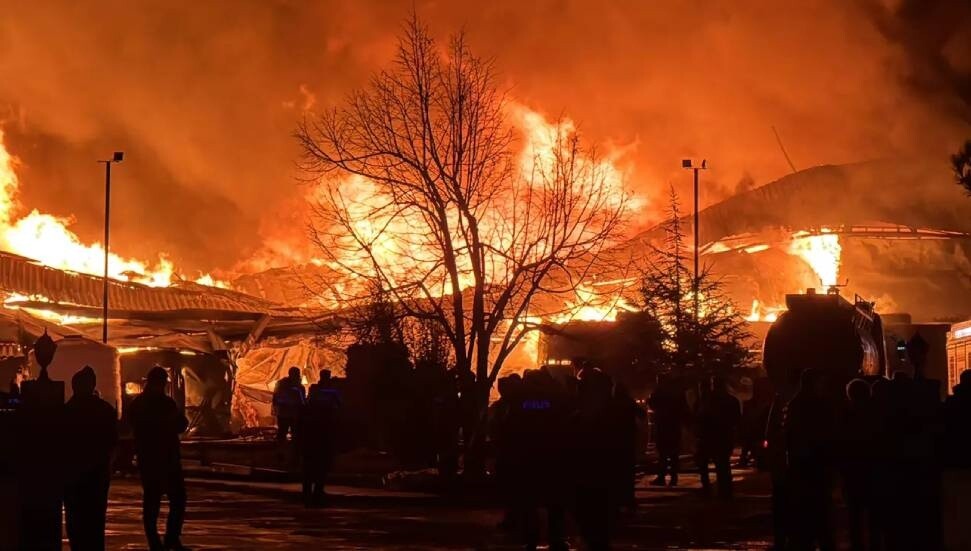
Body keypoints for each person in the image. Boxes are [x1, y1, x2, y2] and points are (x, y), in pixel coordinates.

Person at [124, 366, 189, 551]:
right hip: (159, 457)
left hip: (155, 457)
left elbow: (180, 424)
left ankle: (163, 540)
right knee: (165, 499)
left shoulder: (141, 404)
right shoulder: (160, 404)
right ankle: (165, 540)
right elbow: (180, 424)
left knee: (162, 500)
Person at [63, 366, 118, 551]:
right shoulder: (104, 410)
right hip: (97, 475)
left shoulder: (68, 410)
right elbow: (113, 441)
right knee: (95, 521)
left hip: (74, 475)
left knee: (75, 520)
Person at [785, 368, 836, 551]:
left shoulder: (795, 404)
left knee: (804, 504)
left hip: (801, 461)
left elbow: (789, 434)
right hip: (815, 461)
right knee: (820, 505)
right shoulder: (819, 404)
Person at [839, 378, 873, 551]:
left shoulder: (846, 416)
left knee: (854, 513)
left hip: (852, 471)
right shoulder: (875, 415)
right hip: (872, 470)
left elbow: (841, 445)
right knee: (874, 512)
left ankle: (857, 544)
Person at [299, 370, 341, 507]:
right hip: (318, 439)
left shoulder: (318, 392)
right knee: (317, 468)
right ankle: (314, 493)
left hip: (315, 440)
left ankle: (312, 493)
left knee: (313, 469)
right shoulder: (326, 392)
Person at [695, 376, 741, 498]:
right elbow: (736, 419)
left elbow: (700, 417)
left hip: (710, 436)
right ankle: (725, 491)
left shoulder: (707, 400)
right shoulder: (730, 400)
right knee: (722, 465)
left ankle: (708, 490)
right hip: (722, 436)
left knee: (705, 464)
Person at [649, 374, 687, 486]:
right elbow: (683, 409)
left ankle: (662, 477)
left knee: (663, 454)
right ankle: (673, 478)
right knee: (673, 454)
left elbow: (652, 405)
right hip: (674, 425)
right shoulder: (677, 393)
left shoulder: (658, 392)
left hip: (663, 425)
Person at [272, 367, 306, 442]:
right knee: (284, 433)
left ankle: (288, 450)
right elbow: (276, 398)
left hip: (290, 414)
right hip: (287, 414)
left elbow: (302, 401)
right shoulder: (283, 384)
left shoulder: (283, 384)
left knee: (292, 434)